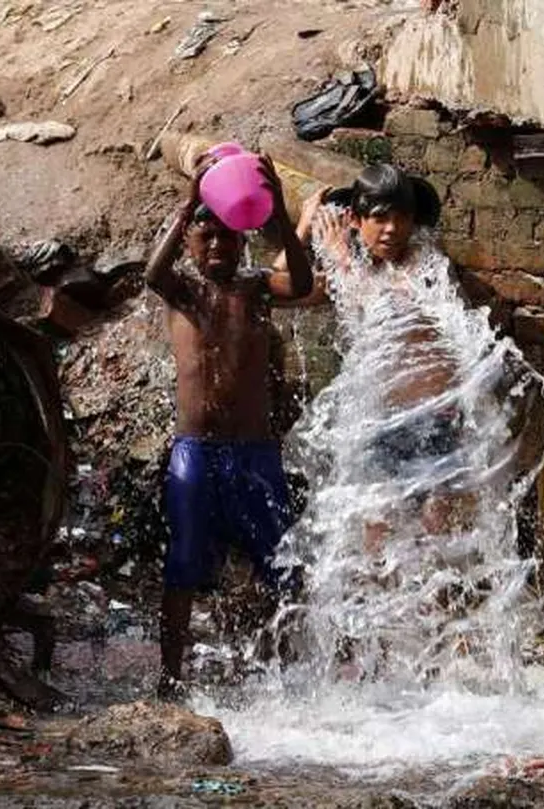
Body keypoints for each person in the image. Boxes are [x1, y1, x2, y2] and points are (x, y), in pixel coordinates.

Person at [146, 153, 313, 697]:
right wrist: (189, 204)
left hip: (255, 452)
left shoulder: (256, 288)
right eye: (205, 235)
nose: (216, 245)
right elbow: (152, 272)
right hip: (194, 451)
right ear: (192, 243)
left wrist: (282, 218)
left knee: (281, 562)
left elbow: (304, 279)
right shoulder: (184, 293)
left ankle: (289, 677)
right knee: (184, 560)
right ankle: (170, 679)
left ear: (242, 242)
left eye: (227, 237)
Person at [273, 164, 474, 549]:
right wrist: (301, 227)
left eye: (402, 219)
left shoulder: (425, 266)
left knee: (436, 544)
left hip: (438, 421)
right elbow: (272, 287)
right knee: (376, 543)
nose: (392, 229)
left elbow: (388, 307)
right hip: (380, 425)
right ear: (354, 219)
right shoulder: (343, 273)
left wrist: (342, 259)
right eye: (380, 218)